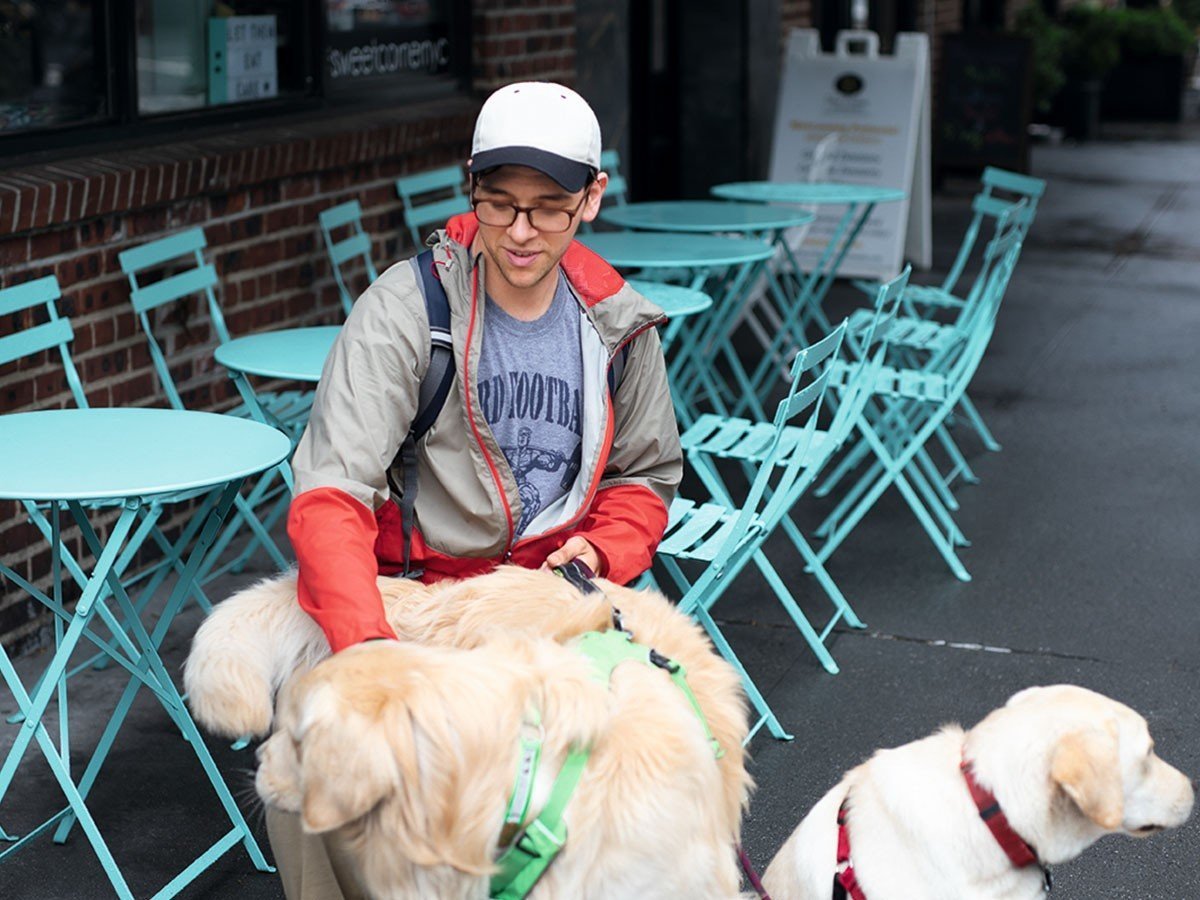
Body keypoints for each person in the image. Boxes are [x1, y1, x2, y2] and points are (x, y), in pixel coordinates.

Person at [268, 81, 682, 899]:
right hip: (412, 597)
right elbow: (330, 497)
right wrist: (367, 648)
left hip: (550, 599)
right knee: (314, 741)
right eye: (499, 204)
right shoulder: (407, 309)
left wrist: (599, 548)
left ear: (592, 199)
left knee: (658, 752)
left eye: (549, 207)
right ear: (471, 188)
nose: (521, 232)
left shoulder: (617, 324)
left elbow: (646, 475)